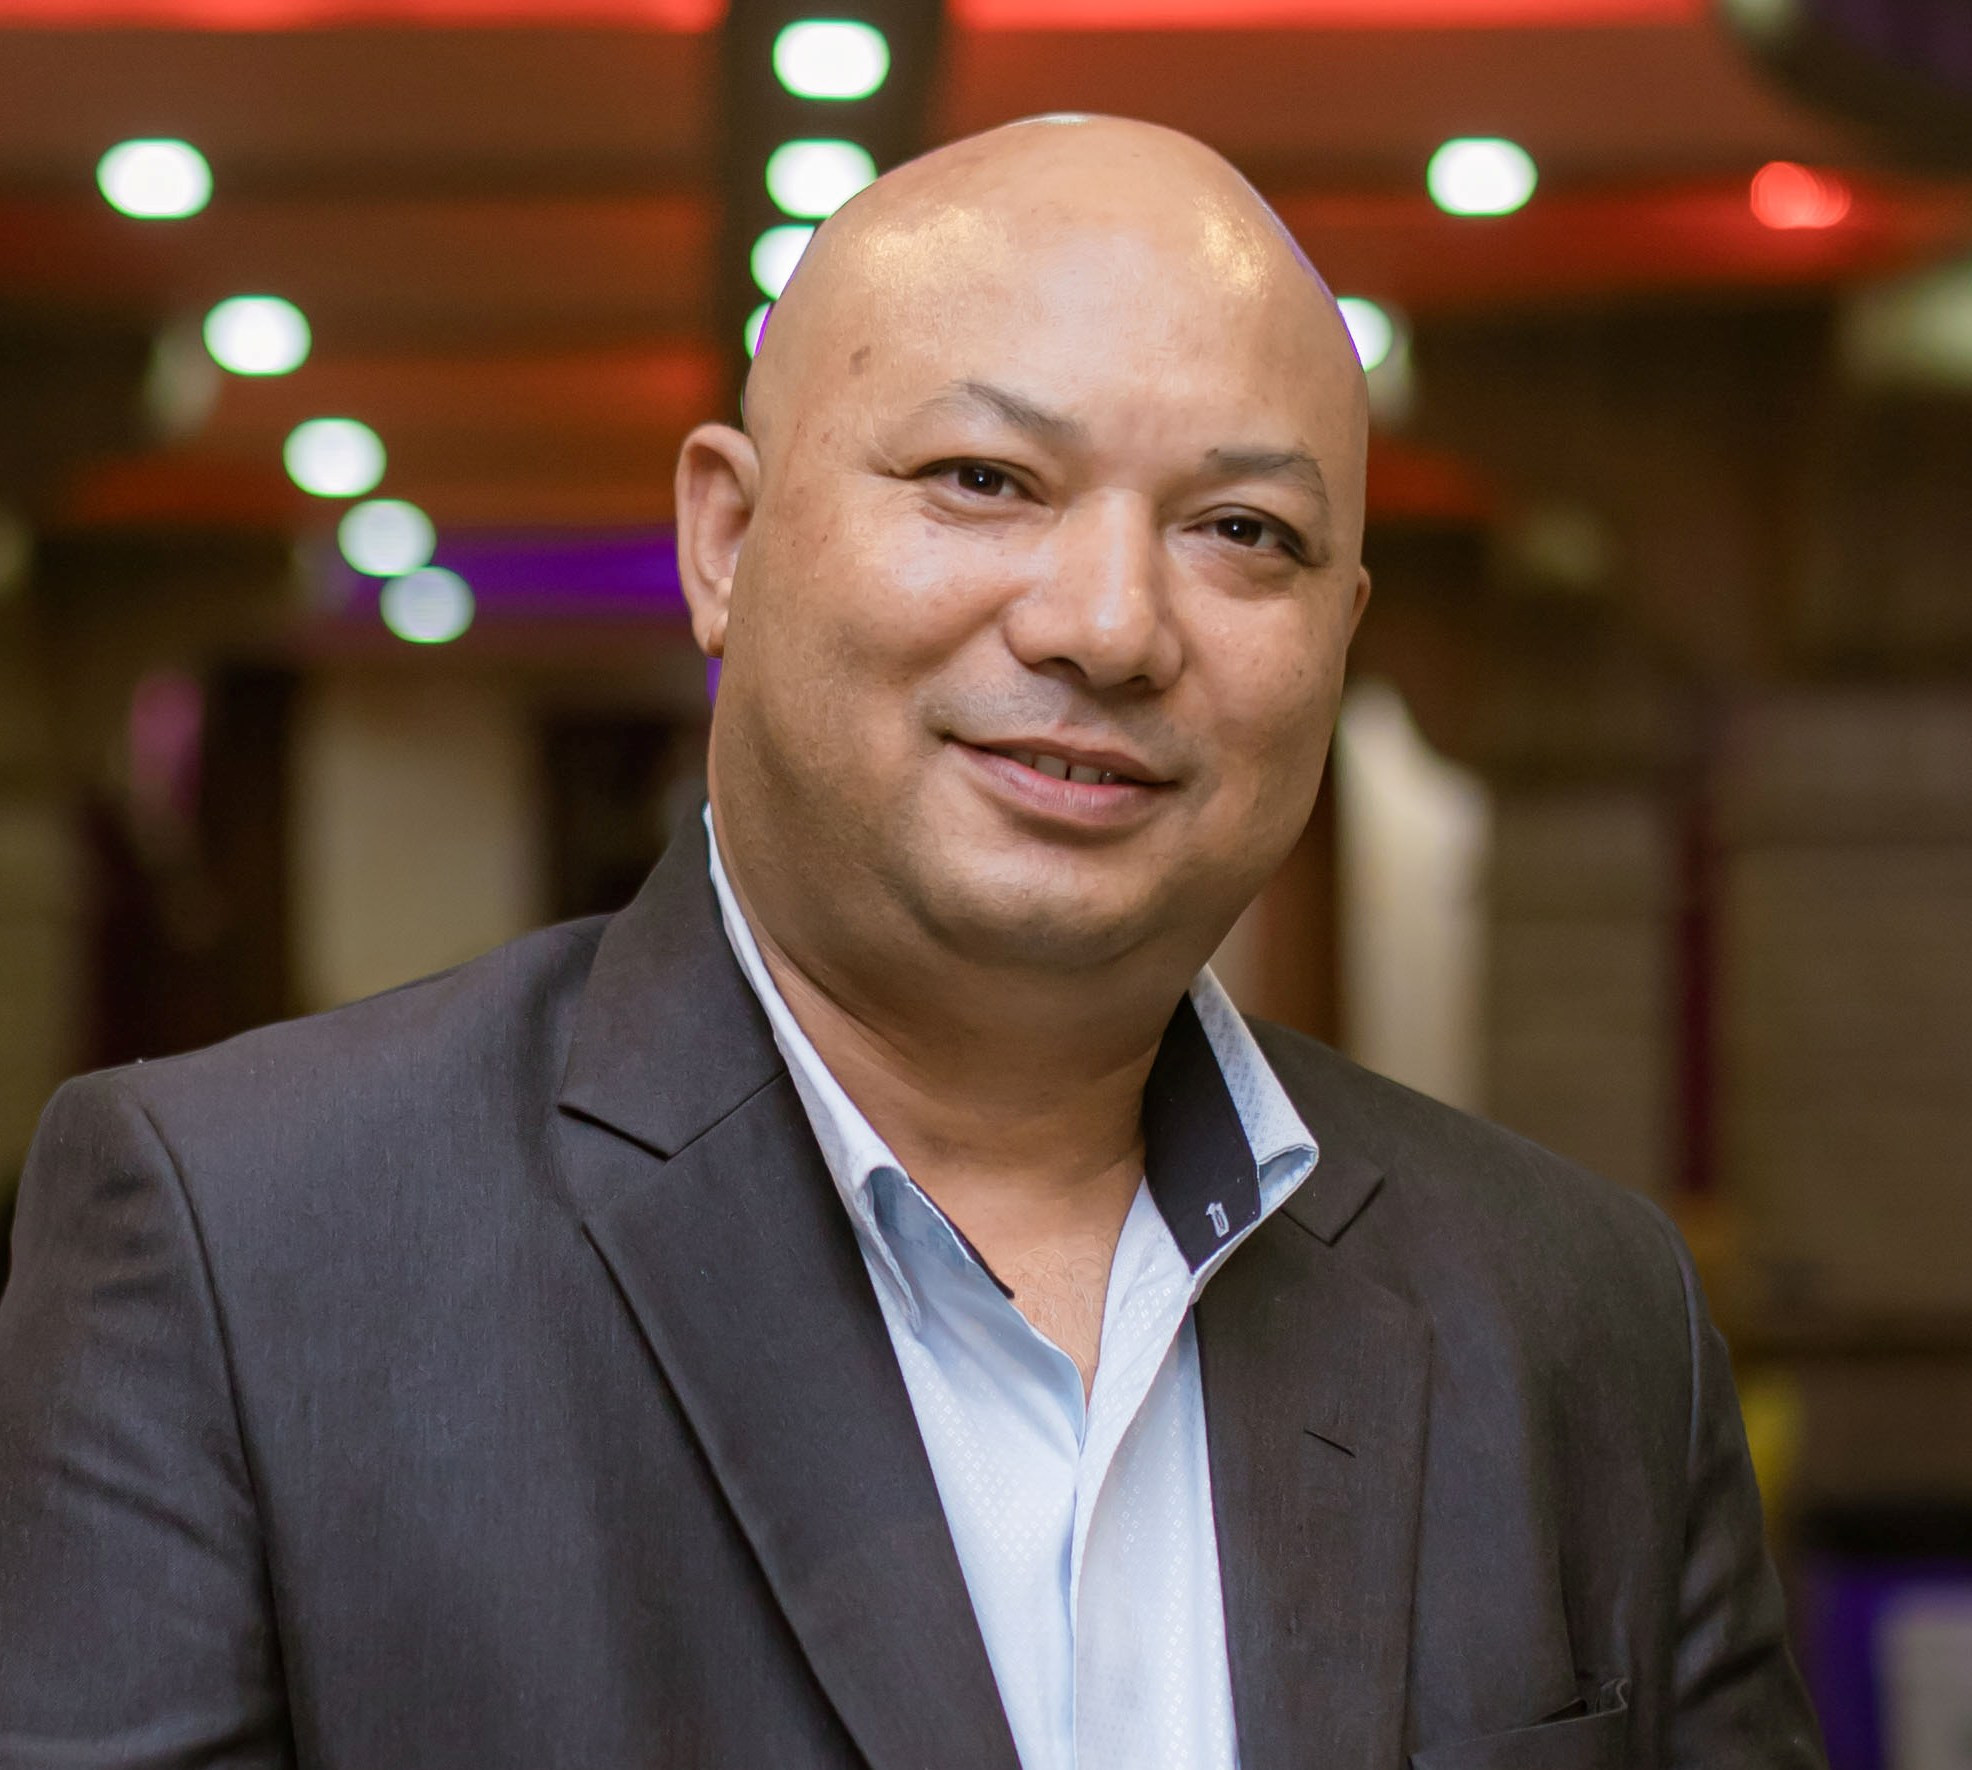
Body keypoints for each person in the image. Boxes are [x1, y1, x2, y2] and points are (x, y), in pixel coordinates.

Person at [0, 116, 1824, 1770]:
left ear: (1339, 630)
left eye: (1241, 530)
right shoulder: (249, 1252)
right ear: (726, 539)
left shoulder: (1579, 1314)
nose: (1109, 624)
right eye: (984, 479)